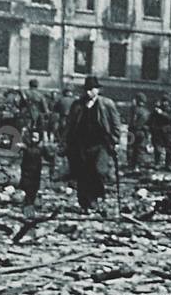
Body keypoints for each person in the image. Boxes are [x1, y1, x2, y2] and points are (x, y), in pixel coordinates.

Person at [64, 76, 121, 215]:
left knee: (98, 171)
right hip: (81, 144)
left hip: (101, 143)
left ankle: (96, 197)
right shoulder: (77, 104)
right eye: (87, 89)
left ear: (98, 90)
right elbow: (70, 125)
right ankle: (85, 203)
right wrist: (66, 142)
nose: (89, 92)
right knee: (82, 173)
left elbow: (115, 124)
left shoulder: (107, 104)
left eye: (92, 89)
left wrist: (115, 141)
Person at [18, 129, 44, 220]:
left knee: (32, 194)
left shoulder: (38, 149)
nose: (33, 139)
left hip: (35, 175)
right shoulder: (27, 148)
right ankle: (28, 214)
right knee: (29, 194)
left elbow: (35, 154)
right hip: (27, 174)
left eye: (35, 137)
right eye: (32, 137)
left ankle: (28, 212)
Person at [149, 94, 171, 169]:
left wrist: (161, 113)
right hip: (158, 130)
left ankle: (168, 164)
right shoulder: (157, 109)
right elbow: (151, 119)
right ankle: (157, 163)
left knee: (169, 148)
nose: (164, 103)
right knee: (157, 148)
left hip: (167, 131)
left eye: (166, 101)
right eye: (163, 101)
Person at [127, 92, 151, 171]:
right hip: (142, 132)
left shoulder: (134, 110)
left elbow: (132, 121)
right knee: (139, 149)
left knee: (131, 148)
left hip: (133, 132)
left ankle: (131, 165)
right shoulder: (146, 111)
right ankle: (137, 165)